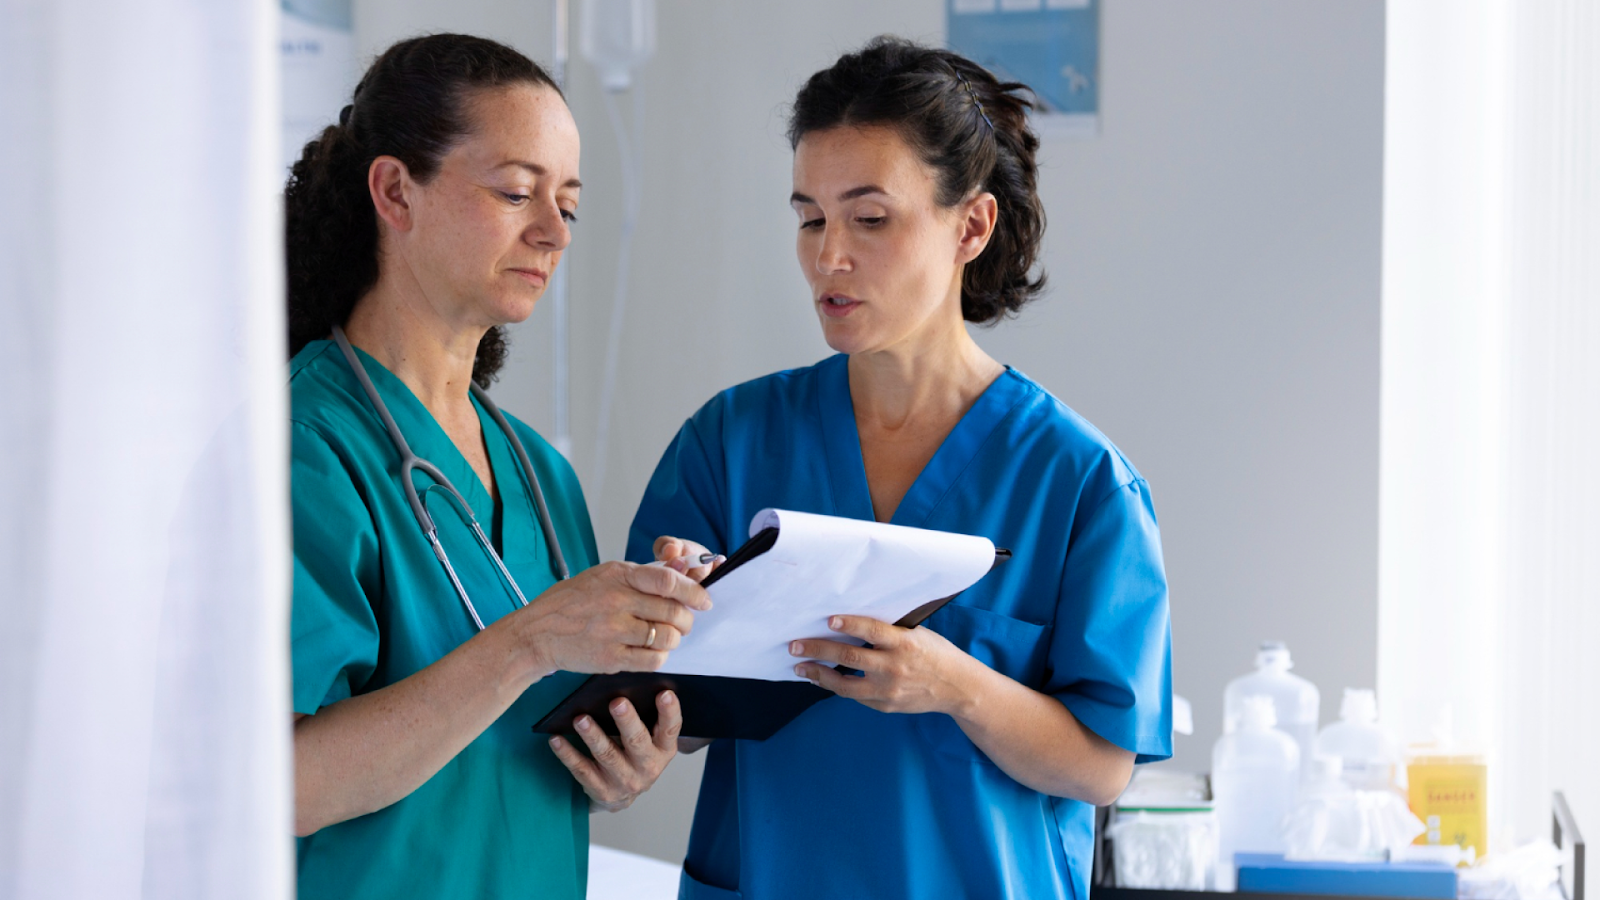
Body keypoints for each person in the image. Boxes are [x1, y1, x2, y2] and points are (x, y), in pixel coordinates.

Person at [629, 37, 1173, 899]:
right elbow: (667, 720)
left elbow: (1103, 767)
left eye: (870, 218)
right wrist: (682, 625)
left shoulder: (1078, 482)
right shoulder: (728, 442)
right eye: (810, 216)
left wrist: (954, 684)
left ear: (972, 226)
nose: (826, 256)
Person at [284, 35, 715, 900]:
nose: (553, 233)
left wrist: (629, 741)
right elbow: (280, 787)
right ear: (395, 191)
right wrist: (530, 641)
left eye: (569, 205)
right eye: (516, 192)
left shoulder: (537, 474)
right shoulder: (304, 445)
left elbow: (516, 751)